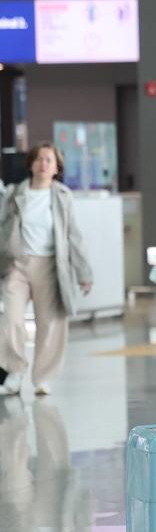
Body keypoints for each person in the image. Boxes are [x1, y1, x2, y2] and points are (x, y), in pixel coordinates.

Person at [0, 144, 94, 397]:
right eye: (39, 159)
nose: (43, 163)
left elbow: (74, 237)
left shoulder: (63, 196)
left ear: (56, 168)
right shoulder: (14, 194)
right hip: (17, 263)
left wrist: (84, 273)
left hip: (51, 265)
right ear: (30, 164)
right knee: (10, 319)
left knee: (50, 323)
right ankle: (15, 372)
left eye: (49, 160)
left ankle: (43, 377)